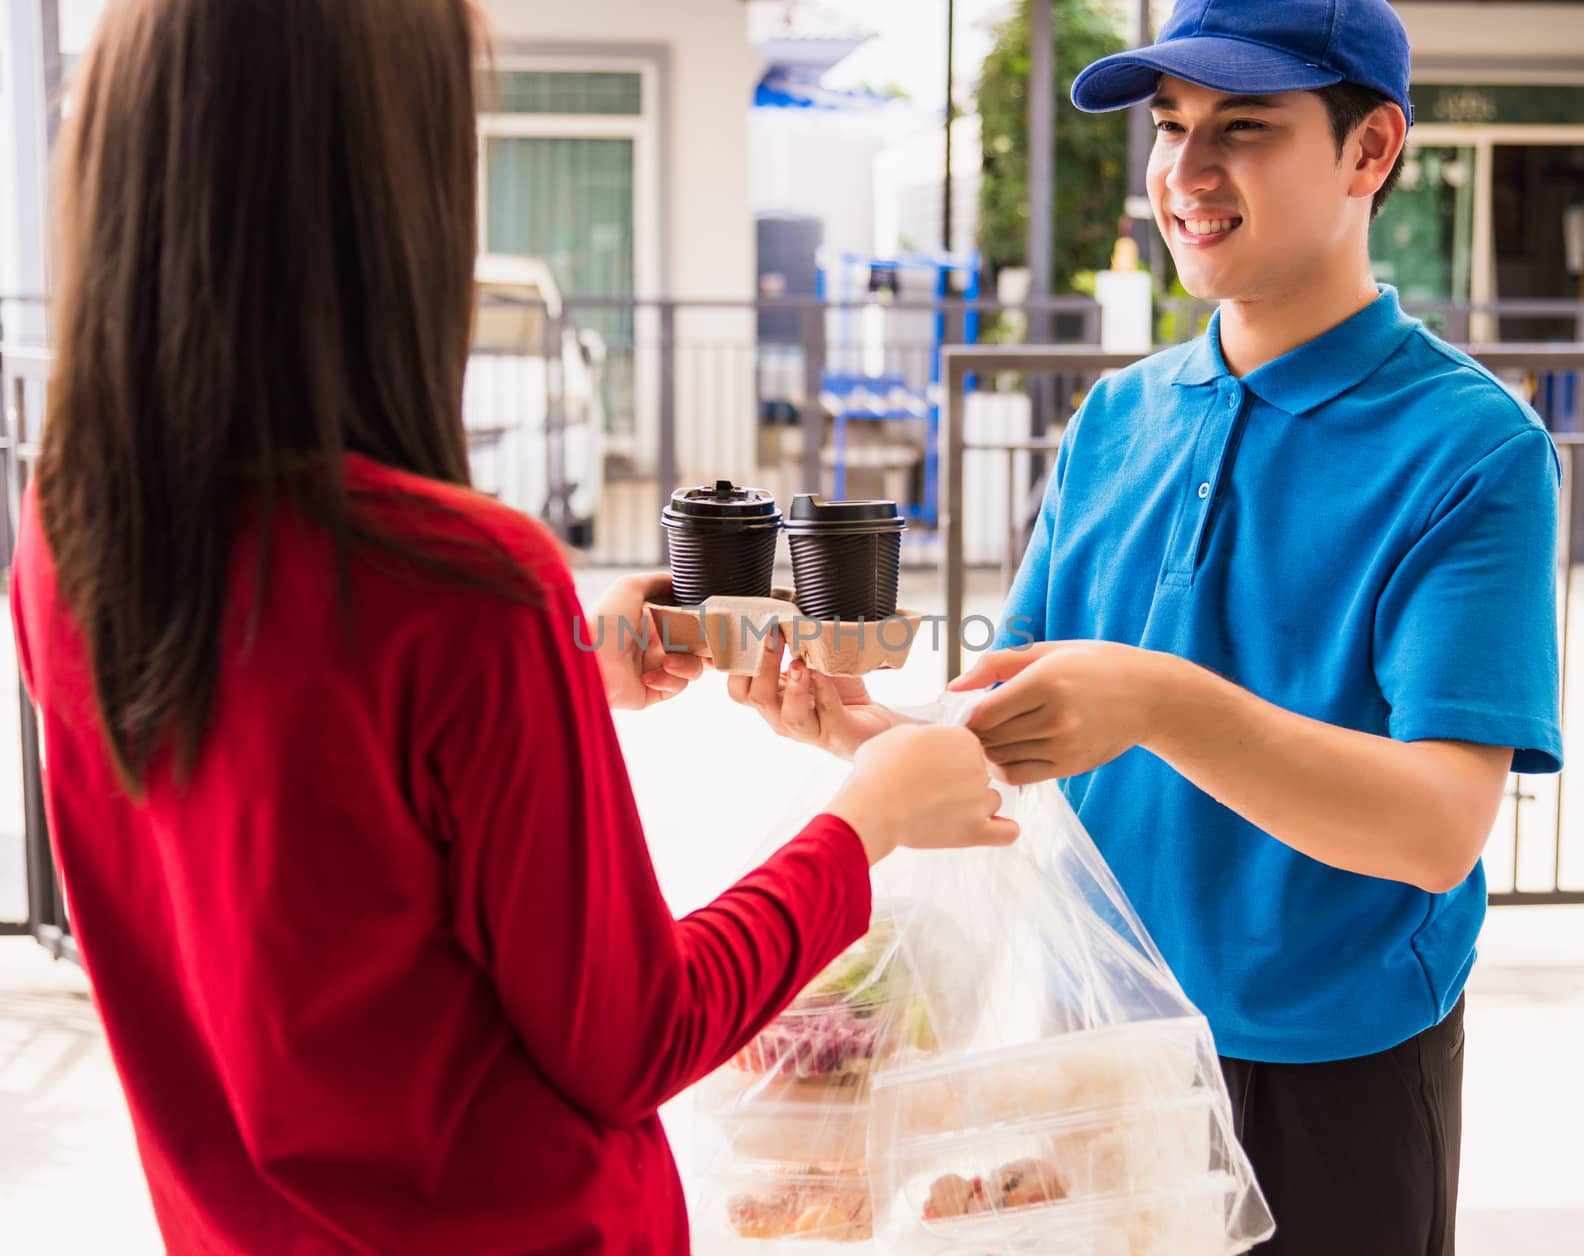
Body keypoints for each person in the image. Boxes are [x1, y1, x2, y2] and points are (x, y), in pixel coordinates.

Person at [8, 2, 1019, 1252]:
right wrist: (867, 819)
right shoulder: (466, 582)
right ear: (382, 195)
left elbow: (305, 807)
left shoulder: (73, 537)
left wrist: (552, 678)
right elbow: (636, 1037)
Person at [732, 2, 1563, 1253]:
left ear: (1370, 150)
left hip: (1334, 1066)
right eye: (1170, 127)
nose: (1185, 171)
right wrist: (871, 729)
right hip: (1095, 1046)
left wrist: (1159, 699)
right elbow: (1020, 725)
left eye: (1244, 127)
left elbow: (1434, 827)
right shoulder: (1114, 419)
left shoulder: (1473, 451)